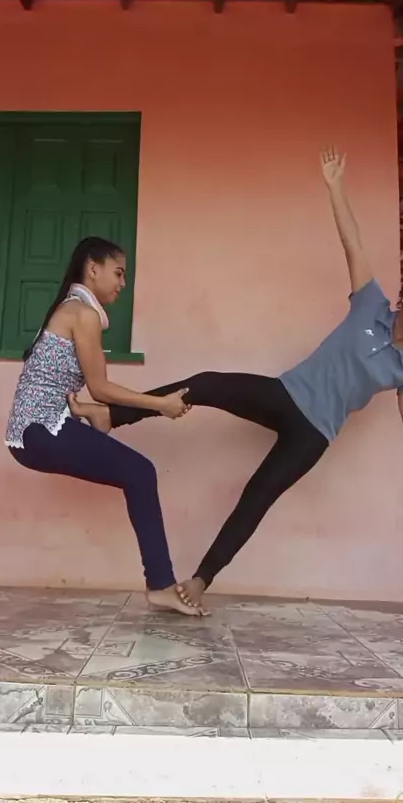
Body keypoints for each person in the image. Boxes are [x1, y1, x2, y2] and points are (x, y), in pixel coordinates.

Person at [70, 148, 403, 610]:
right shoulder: (371, 305)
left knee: (256, 497)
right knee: (207, 383)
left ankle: (201, 580)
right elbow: (354, 244)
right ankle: (113, 415)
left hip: (315, 435)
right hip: (287, 394)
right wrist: (335, 187)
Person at [5, 236, 202, 617]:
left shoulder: (71, 308)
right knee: (141, 473)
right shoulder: (83, 313)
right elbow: (101, 387)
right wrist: (161, 404)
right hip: (39, 431)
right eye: (119, 273)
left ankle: (160, 583)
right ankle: (161, 586)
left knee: (137, 472)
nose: (123, 283)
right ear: (93, 269)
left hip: (35, 430)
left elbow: (55, 381)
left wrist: (81, 410)